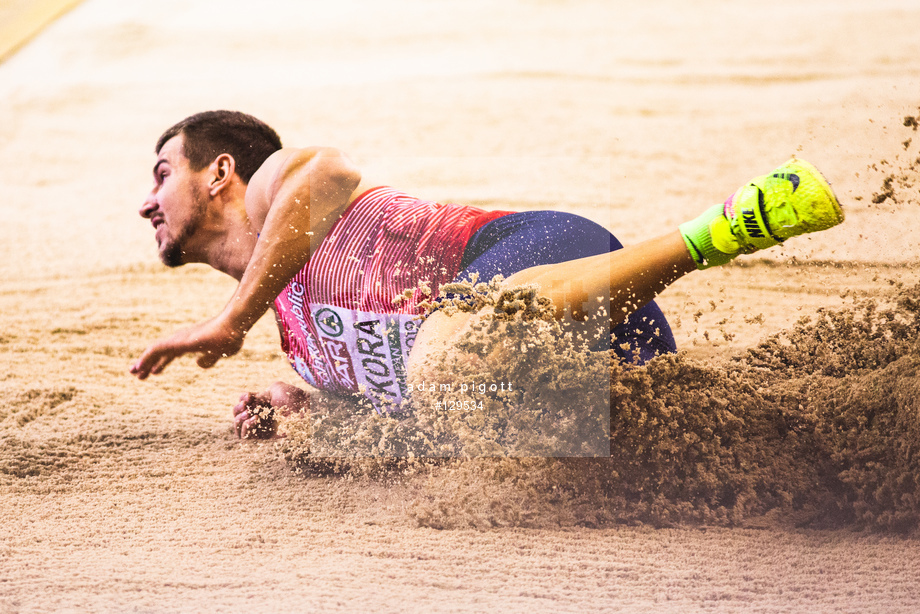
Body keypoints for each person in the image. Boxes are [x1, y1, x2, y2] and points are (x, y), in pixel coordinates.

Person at [130, 110, 844, 438]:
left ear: (220, 171)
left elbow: (333, 170)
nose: (145, 202)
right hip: (575, 356)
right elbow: (411, 409)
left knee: (454, 351)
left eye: (162, 174)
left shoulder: (270, 189)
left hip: (543, 251)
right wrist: (314, 408)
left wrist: (230, 320)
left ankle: (721, 230)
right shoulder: (298, 340)